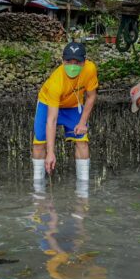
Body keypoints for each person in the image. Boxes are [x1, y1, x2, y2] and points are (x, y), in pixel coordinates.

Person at [32, 42, 98, 193]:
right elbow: (52, 120)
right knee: (39, 143)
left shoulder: (90, 69)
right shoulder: (56, 81)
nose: (73, 66)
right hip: (48, 105)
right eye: (69, 62)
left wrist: (82, 122)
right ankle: (38, 188)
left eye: (78, 62)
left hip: (74, 105)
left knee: (82, 141)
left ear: (84, 61)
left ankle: (83, 188)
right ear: (62, 61)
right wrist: (51, 152)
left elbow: (91, 96)